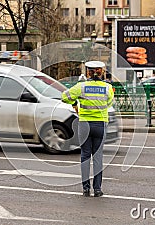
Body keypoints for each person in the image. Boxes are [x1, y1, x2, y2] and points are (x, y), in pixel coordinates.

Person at [61, 61, 114, 197]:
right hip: (100, 125)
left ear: (88, 72)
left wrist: (75, 103)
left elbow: (64, 97)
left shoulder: (81, 87)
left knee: (85, 156)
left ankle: (85, 188)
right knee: (98, 157)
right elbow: (109, 103)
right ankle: (97, 189)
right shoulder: (108, 88)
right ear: (101, 72)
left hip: (85, 124)